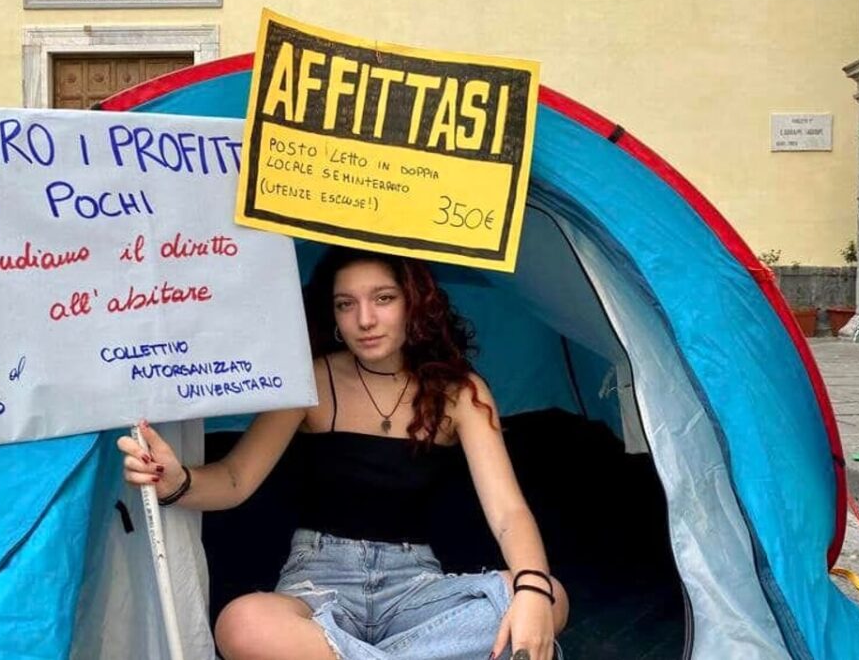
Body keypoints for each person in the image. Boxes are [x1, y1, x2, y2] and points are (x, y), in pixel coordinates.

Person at [118, 247, 568, 660]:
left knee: (546, 596)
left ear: (414, 303)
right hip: (318, 583)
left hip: (416, 587)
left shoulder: (460, 393)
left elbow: (508, 513)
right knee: (242, 623)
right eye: (345, 304)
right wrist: (177, 481)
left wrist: (531, 592)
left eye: (383, 298)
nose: (364, 319)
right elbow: (235, 479)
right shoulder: (311, 380)